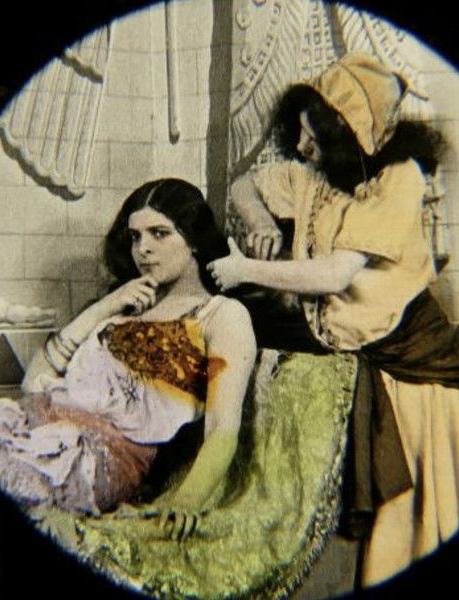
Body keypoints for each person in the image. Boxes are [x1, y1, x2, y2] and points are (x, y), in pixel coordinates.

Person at [207, 53, 459, 587]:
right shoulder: (316, 176)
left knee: (410, 518)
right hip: (349, 346)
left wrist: (245, 269)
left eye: (312, 135)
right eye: (299, 133)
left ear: (345, 134)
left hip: (407, 359)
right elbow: (243, 185)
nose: (301, 147)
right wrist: (260, 223)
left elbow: (334, 274)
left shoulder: (399, 180)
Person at [0, 178, 256, 541]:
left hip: (97, 459)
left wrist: (186, 501)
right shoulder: (124, 304)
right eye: (135, 236)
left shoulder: (220, 314)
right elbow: (32, 384)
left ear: (193, 238)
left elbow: (223, 428)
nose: (143, 249)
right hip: (36, 426)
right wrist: (105, 306)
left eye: (160, 233)